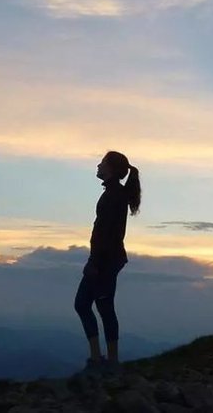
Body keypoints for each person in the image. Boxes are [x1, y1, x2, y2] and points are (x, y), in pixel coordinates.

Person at [74, 150, 141, 373]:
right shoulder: (114, 194)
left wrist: (95, 262)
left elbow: (108, 233)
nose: (98, 166)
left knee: (88, 305)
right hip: (108, 259)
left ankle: (104, 361)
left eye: (102, 162)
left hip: (105, 261)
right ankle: (106, 360)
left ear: (111, 169)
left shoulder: (114, 196)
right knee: (100, 306)